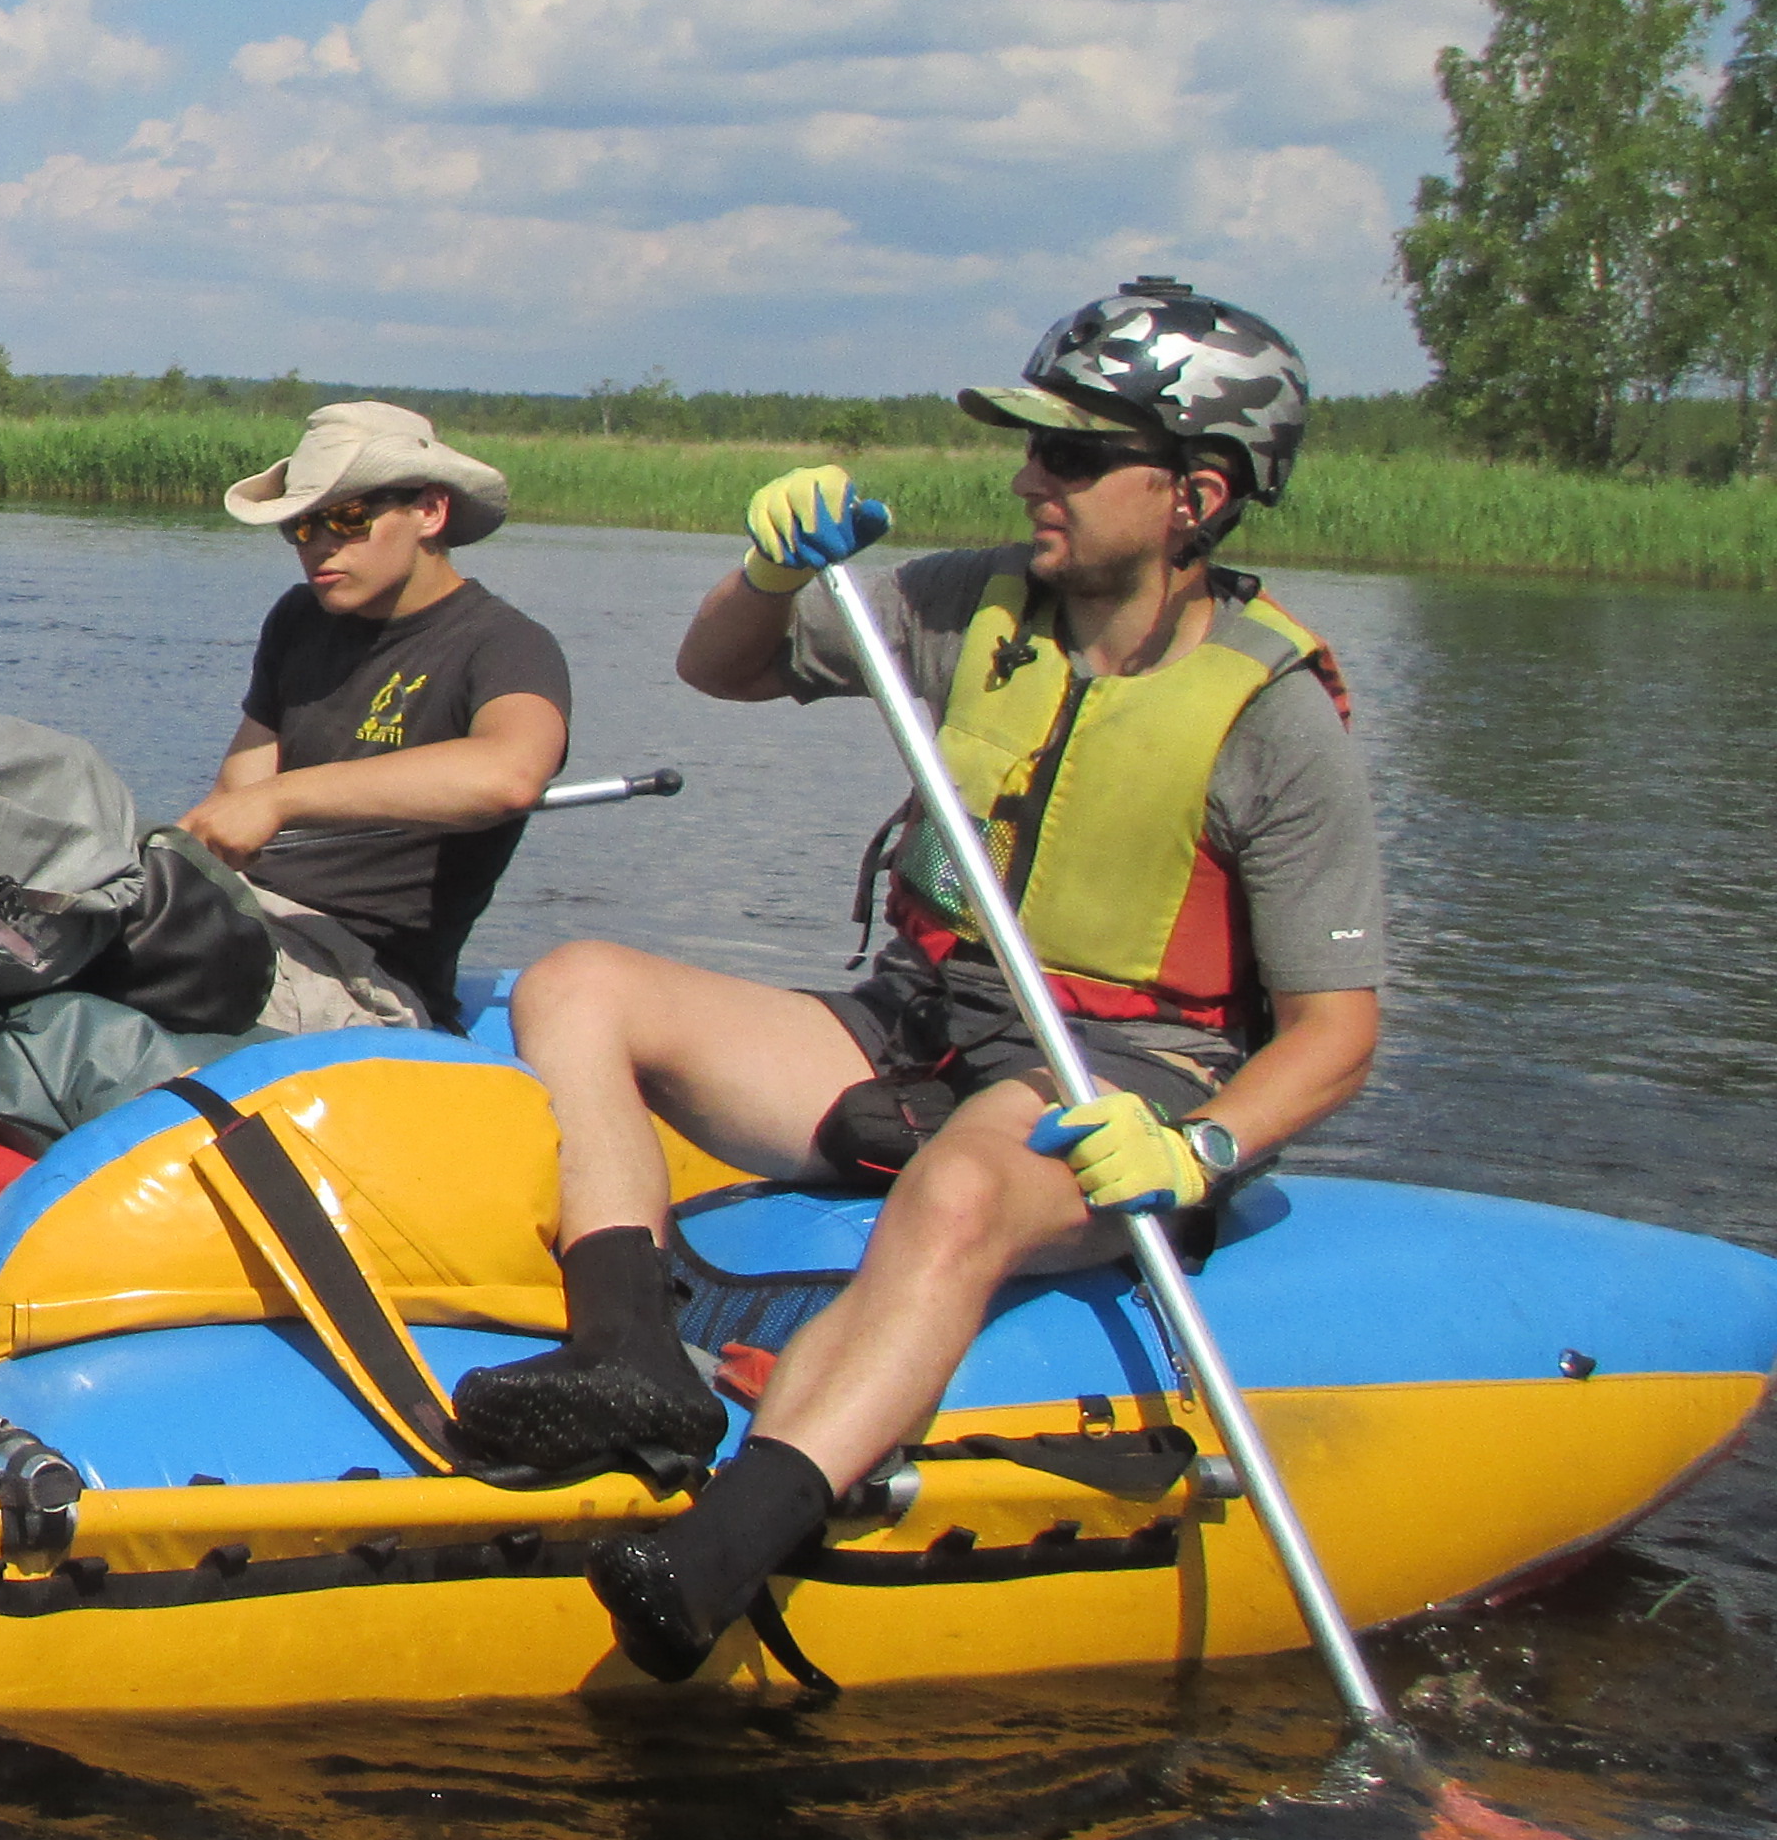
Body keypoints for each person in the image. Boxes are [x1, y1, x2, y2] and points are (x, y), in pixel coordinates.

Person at [473, 280, 1381, 1681]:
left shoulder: (1271, 715)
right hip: (912, 1033)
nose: (1034, 480)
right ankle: (631, 1359)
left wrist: (1198, 1151)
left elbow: (1336, 1036)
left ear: (1195, 494)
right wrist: (770, 574)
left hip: (1110, 1079)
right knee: (579, 982)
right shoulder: (968, 605)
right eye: (1035, 451)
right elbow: (719, 668)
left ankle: (723, 1548)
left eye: (1074, 457)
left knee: (965, 1188)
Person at [178, 403, 571, 1031]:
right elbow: (233, 804)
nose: (320, 545)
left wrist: (287, 799)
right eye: (301, 527)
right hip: (251, 918)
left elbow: (511, 774)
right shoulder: (297, 620)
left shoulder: (507, 644)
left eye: (348, 517)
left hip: (368, 981)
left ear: (430, 511)